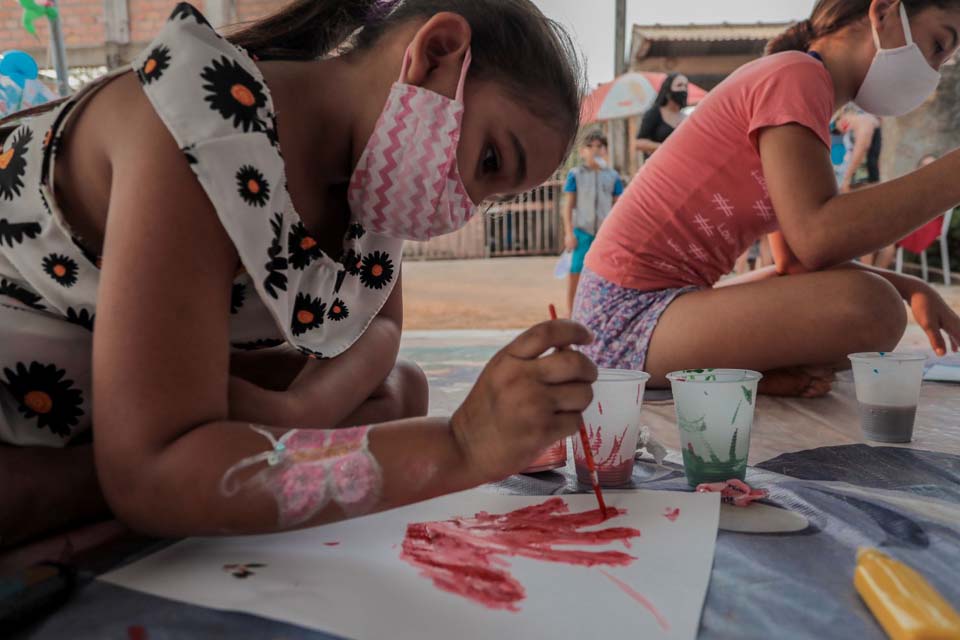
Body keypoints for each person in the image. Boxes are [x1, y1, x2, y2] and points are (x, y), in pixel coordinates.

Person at [0, 0, 596, 544]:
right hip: (22, 364)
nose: (465, 203)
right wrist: (460, 447)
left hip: (101, 373)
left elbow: (380, 331)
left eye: (491, 198)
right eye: (490, 161)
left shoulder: (372, 182)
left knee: (399, 392)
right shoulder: (203, 127)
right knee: (163, 475)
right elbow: (148, 479)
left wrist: (297, 413)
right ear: (437, 52)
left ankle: (174, 456)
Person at [574, 0, 960, 399]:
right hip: (624, 320)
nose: (934, 70)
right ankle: (749, 373)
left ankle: (749, 374)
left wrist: (909, 285)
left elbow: (796, 260)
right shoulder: (796, 77)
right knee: (872, 308)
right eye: (937, 45)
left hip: (652, 310)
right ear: (883, 13)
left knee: (869, 298)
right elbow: (817, 236)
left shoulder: (802, 85)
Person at [562, 131, 624, 315]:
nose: (595, 150)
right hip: (582, 231)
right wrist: (568, 232)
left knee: (605, 274)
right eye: (590, 146)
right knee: (576, 272)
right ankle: (572, 313)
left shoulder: (613, 176)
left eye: (599, 146)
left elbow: (618, 207)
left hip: (605, 234)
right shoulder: (576, 175)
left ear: (606, 151)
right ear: (582, 151)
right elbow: (568, 206)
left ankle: (601, 312)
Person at [634, 72, 688, 160]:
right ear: (668, 91)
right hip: (658, 166)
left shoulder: (686, 118)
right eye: (679, 85)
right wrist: (664, 147)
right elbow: (638, 142)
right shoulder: (655, 113)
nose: (683, 89)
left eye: (685, 86)